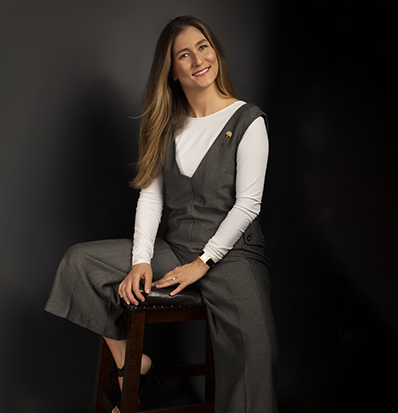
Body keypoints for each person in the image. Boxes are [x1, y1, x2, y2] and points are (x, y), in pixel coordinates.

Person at [46, 15, 278, 412]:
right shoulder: (166, 125)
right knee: (80, 263)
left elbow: (248, 205)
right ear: (171, 71)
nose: (198, 60)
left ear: (215, 53)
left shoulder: (247, 120)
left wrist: (202, 264)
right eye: (184, 55)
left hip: (233, 256)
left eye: (203, 47)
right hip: (176, 247)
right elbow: (151, 198)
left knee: (256, 354)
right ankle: (131, 362)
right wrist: (141, 260)